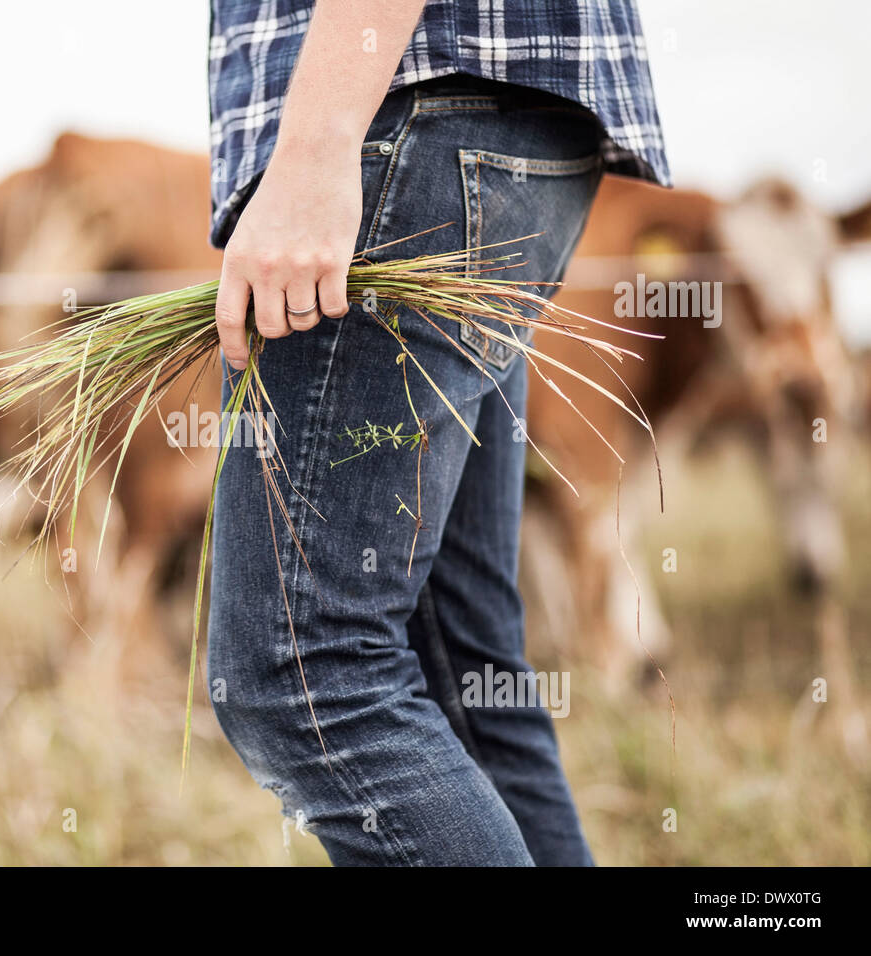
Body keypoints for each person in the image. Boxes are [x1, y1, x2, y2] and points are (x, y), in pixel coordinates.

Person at [205, 0, 669, 866]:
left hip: (405, 126)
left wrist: (314, 149)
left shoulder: (355, 136)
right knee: (465, 674)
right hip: (484, 141)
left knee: (303, 676)